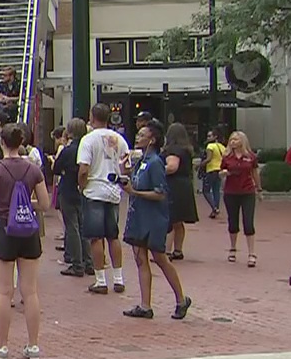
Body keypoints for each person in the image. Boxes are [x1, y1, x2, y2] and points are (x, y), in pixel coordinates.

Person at [0, 124, 49, 359]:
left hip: (4, 228)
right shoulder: (33, 170)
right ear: (21, 143)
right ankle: (33, 345)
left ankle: (2, 346)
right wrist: (25, 205)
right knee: (30, 291)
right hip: (28, 230)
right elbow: (46, 203)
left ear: (2, 142)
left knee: (4, 292)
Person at [120, 122, 191, 320]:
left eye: (142, 134)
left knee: (160, 258)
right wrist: (124, 173)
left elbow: (160, 193)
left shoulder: (155, 163)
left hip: (153, 217)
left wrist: (134, 192)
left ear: (152, 139)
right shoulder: (142, 161)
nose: (137, 136)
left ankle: (181, 299)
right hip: (139, 215)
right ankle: (145, 305)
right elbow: (136, 184)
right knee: (140, 258)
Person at [77, 103, 130, 295]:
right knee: (113, 235)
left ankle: (100, 280)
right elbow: (126, 167)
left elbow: (84, 168)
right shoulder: (120, 139)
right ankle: (118, 277)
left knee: (96, 237)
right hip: (113, 189)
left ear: (92, 117)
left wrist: (82, 185)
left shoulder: (88, 140)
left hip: (94, 189)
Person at [54, 118, 94, 277]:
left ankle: (77, 263)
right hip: (84, 190)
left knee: (72, 227)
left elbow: (56, 168)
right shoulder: (88, 148)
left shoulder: (68, 150)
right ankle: (88, 262)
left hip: (69, 189)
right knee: (83, 226)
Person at [220, 131, 261, 268]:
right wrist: (223, 173)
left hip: (247, 191)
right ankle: (232, 248)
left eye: (236, 140)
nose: (233, 142)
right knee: (233, 221)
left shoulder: (250, 157)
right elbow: (221, 172)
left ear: (242, 141)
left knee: (248, 222)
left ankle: (252, 253)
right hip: (231, 192)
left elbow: (254, 172)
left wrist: (259, 189)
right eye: (231, 140)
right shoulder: (227, 157)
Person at [162, 122, 199, 261]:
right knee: (179, 221)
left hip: (173, 185)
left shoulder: (173, 149)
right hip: (185, 184)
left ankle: (166, 250)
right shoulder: (187, 150)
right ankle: (178, 249)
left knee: (170, 219)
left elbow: (172, 167)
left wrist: (158, 170)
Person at [201, 129, 225, 219]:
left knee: (206, 190)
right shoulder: (222, 147)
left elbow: (209, 158)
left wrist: (200, 165)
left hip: (211, 169)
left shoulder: (210, 146)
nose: (208, 138)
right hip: (219, 170)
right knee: (216, 190)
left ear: (215, 137)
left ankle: (214, 208)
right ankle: (216, 208)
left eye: (210, 136)